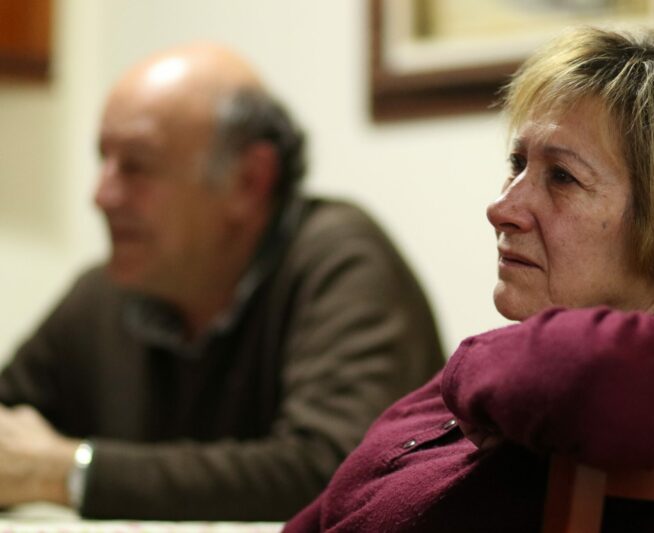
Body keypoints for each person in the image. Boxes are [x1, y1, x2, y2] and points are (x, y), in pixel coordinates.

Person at [283, 26, 654, 532]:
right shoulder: (505, 366)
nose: (501, 208)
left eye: (562, 177)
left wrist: (468, 365)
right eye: (517, 163)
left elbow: (582, 375)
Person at [0, 43, 444, 521]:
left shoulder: (341, 260)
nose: (102, 195)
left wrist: (72, 471)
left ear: (248, 181)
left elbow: (336, 469)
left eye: (136, 165)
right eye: (103, 159)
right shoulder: (107, 293)